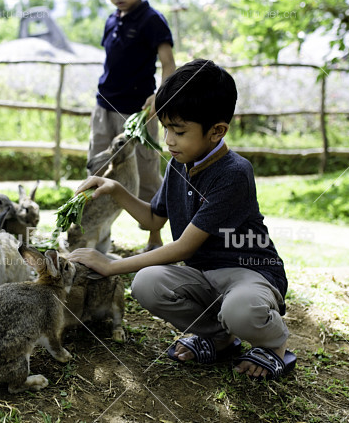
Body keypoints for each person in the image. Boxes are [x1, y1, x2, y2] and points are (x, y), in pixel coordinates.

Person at [69, 59, 296, 380]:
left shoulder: (234, 172)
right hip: (205, 277)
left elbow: (184, 247)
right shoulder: (180, 165)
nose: (168, 141)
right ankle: (219, 338)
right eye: (165, 129)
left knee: (240, 310)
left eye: (179, 131)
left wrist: (109, 264)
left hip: (249, 274)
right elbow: (152, 220)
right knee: (147, 284)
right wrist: (116, 190)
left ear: (217, 131)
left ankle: (276, 346)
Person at [91, 0, 176, 251]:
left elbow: (168, 63)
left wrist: (159, 97)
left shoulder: (152, 20)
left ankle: (155, 237)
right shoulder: (112, 21)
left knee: (146, 173)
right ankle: (98, 238)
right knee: (98, 167)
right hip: (103, 108)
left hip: (138, 114)